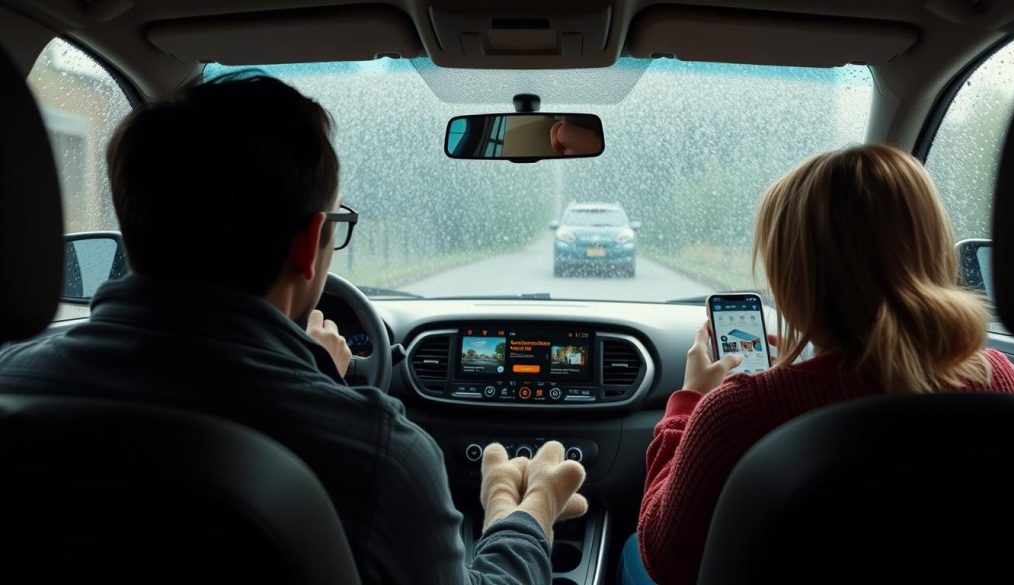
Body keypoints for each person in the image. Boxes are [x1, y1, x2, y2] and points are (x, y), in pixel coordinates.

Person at [0, 73, 587, 584]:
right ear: (311, 243)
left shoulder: (12, 382)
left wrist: (315, 379)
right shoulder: (377, 455)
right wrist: (526, 509)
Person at [629, 144, 1014, 585]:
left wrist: (690, 403)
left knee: (630, 549)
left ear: (794, 279)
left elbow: (664, 559)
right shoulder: (1001, 380)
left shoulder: (741, 411)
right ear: (929, 251)